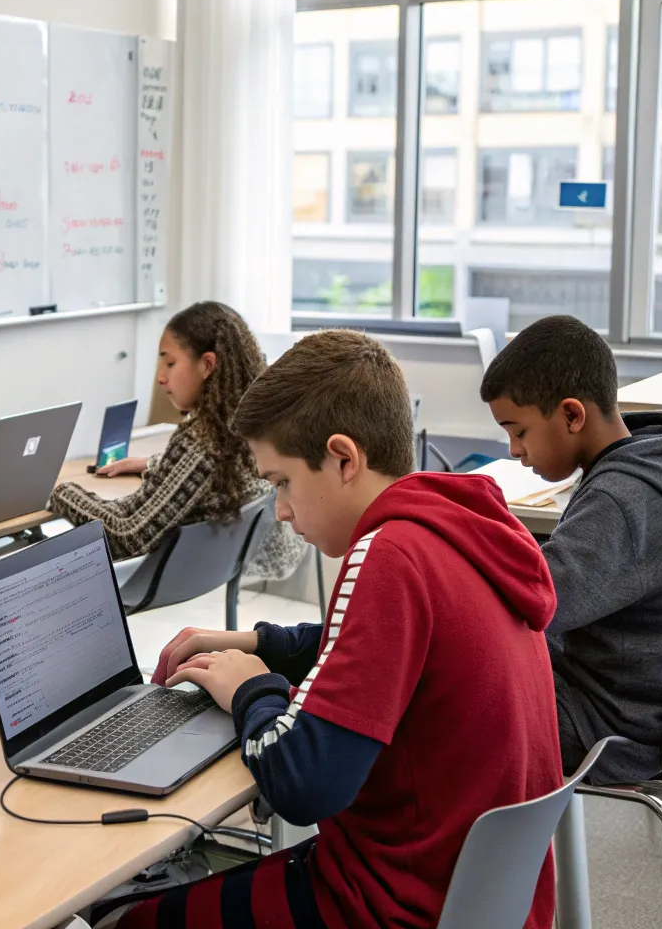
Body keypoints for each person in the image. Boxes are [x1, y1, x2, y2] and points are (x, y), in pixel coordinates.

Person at [92, 329, 563, 929]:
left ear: (343, 459)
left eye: (282, 482)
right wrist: (255, 643)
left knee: (123, 920)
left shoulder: (388, 554)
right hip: (476, 895)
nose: (281, 510)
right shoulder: (458, 528)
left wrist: (250, 689)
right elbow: (386, 650)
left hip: (389, 905)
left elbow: (303, 782)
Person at [480, 314, 662, 783]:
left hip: (611, 724)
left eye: (518, 431)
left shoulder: (620, 501)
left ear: (572, 415)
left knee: (442, 686)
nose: (515, 450)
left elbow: (536, 606)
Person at [49, 301, 304, 581]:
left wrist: (58, 491)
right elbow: (201, 472)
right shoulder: (246, 425)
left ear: (207, 364)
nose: (160, 377)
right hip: (236, 564)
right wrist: (160, 464)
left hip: (168, 580)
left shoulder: (202, 442)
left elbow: (126, 538)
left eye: (170, 363)